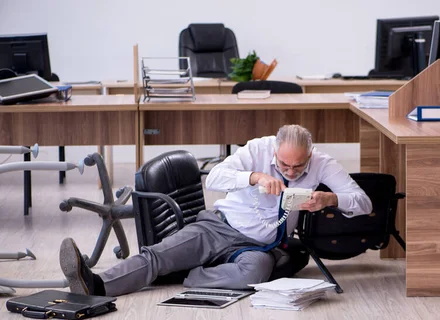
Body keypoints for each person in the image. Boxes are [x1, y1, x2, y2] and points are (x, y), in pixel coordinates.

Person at [59, 124, 373, 297]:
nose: (290, 172)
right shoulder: (257, 150)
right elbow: (215, 179)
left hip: (257, 245)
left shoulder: (323, 163)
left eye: (298, 166)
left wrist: (329, 200)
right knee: (156, 255)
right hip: (219, 227)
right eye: (283, 165)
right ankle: (95, 284)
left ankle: (191, 274)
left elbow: (363, 202)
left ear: (311, 155)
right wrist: (255, 176)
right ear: (274, 150)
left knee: (256, 273)